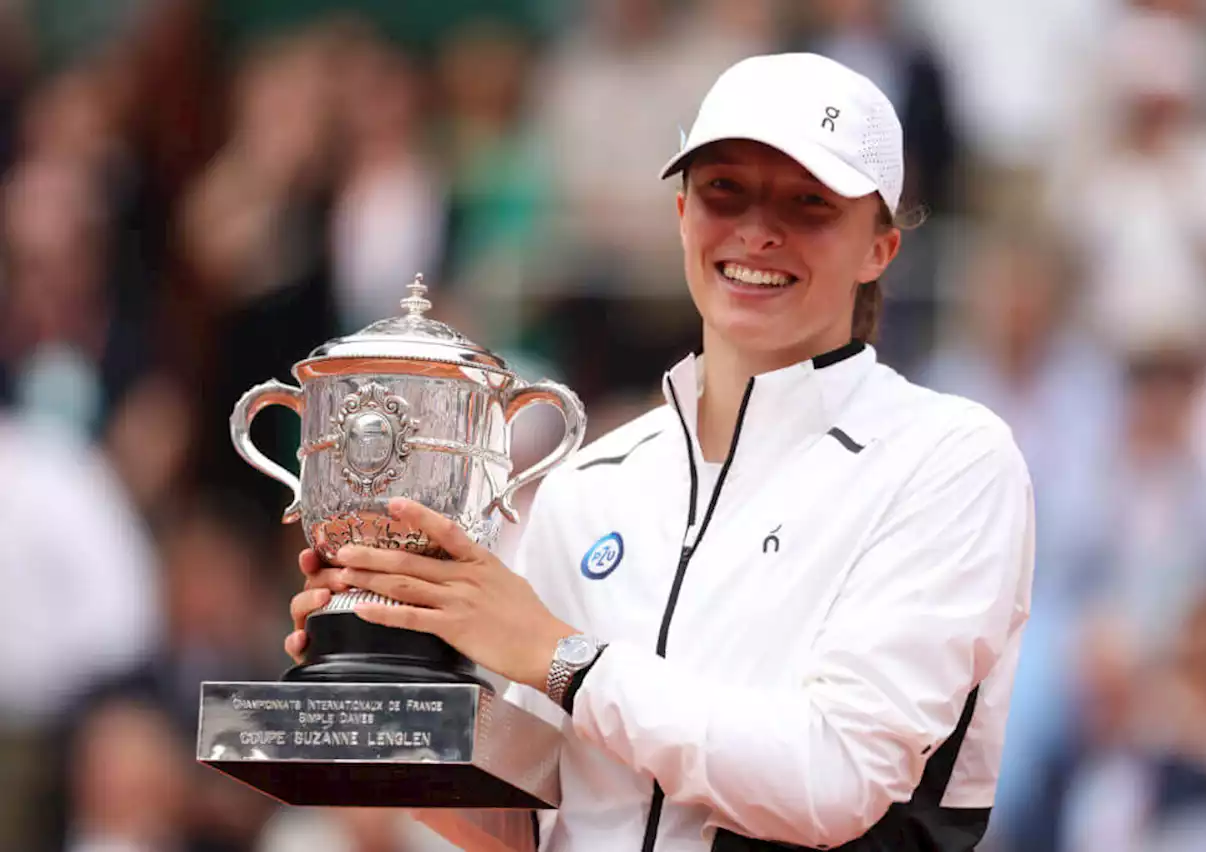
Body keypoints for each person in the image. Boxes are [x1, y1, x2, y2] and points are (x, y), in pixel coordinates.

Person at [286, 53, 1035, 852]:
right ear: (682, 213)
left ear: (879, 248)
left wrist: (562, 659)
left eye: (808, 202)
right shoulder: (591, 485)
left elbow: (834, 780)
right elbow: (537, 824)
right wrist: (396, 680)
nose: (757, 230)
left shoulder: (948, 459)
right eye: (725, 191)